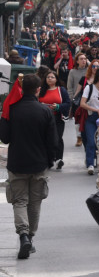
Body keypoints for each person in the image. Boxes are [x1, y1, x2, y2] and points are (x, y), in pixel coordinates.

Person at [0, 73, 60, 258]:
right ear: (38, 90)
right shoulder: (45, 111)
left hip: (17, 162)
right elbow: (53, 142)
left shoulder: (11, 109)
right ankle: (30, 237)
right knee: (35, 203)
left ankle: (23, 235)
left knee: (19, 201)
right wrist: (50, 161)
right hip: (39, 163)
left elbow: (5, 138)